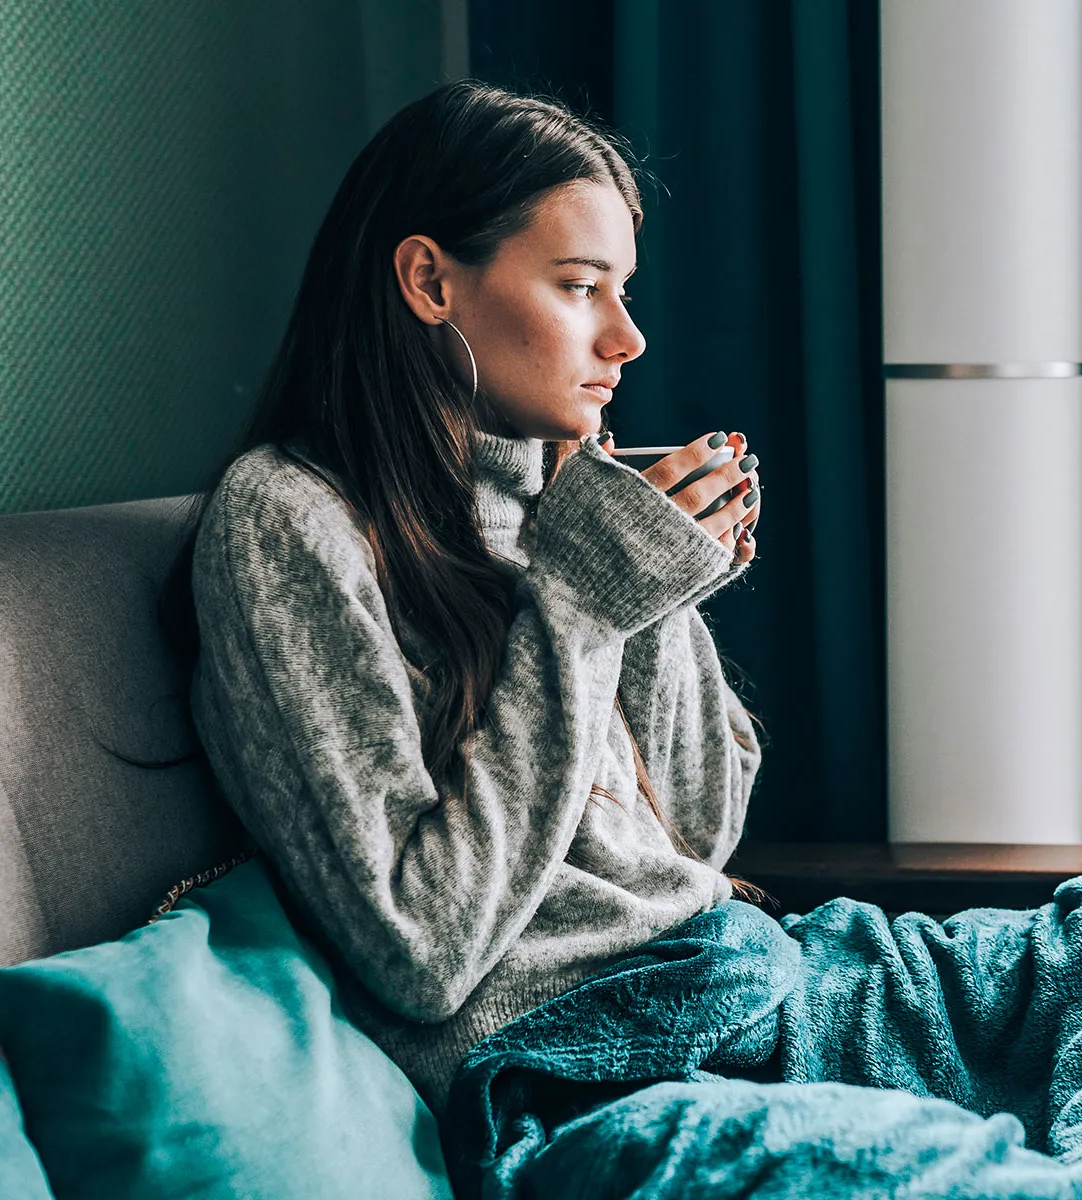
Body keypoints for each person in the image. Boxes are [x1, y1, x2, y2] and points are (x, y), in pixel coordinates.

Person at [156, 78, 769, 1116]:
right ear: (431, 281)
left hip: (741, 978)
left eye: (623, 291)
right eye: (581, 287)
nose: (628, 340)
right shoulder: (288, 521)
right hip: (588, 1057)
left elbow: (695, 844)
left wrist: (651, 595)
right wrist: (583, 603)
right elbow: (420, 951)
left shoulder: (550, 498)